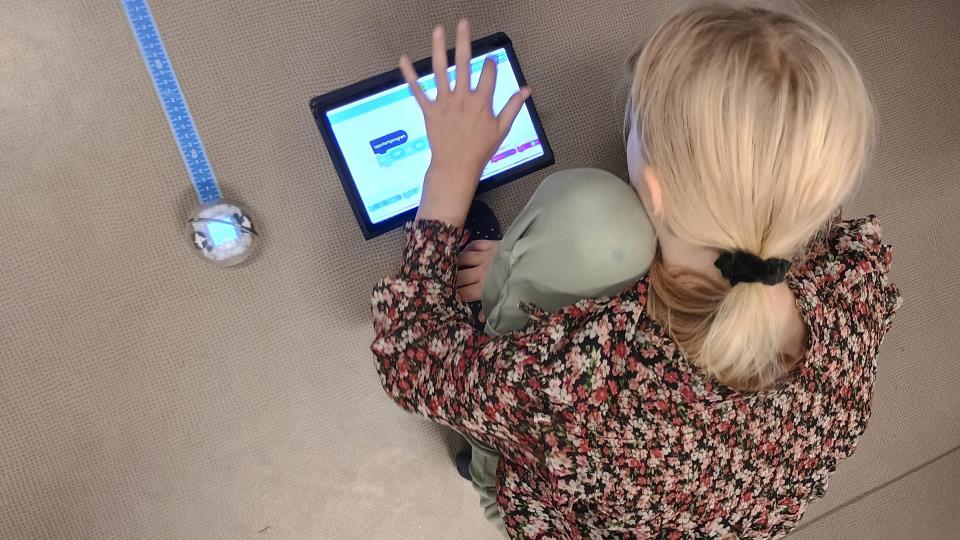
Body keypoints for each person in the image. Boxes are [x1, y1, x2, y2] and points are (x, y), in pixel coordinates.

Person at [371, 3, 903, 537]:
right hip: (705, 506)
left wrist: (450, 172)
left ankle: (485, 454)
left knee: (591, 217)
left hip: (569, 486)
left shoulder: (582, 385)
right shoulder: (853, 295)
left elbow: (410, 359)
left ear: (653, 189)